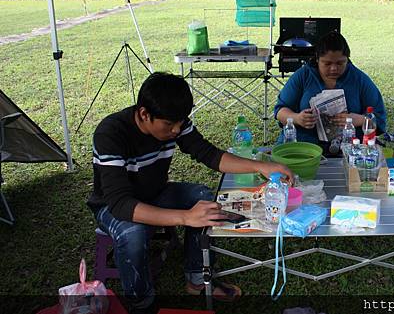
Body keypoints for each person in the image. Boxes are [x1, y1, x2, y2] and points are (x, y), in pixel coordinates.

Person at [88, 72, 293, 314]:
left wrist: (261, 166)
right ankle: (142, 304)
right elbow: (121, 204)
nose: (176, 130)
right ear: (144, 114)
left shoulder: (174, 121)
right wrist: (185, 217)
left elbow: (208, 154)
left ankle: (197, 279)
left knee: (203, 196)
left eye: (180, 123)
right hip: (112, 206)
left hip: (155, 192)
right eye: (169, 125)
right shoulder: (111, 134)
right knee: (133, 233)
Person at [274, 31, 386, 150]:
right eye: (327, 63)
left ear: (347, 60)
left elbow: (379, 121)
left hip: (349, 146)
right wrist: (297, 118)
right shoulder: (303, 76)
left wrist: (359, 120)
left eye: (340, 63)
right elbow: (280, 111)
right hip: (304, 144)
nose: (333, 68)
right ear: (317, 59)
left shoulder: (359, 79)